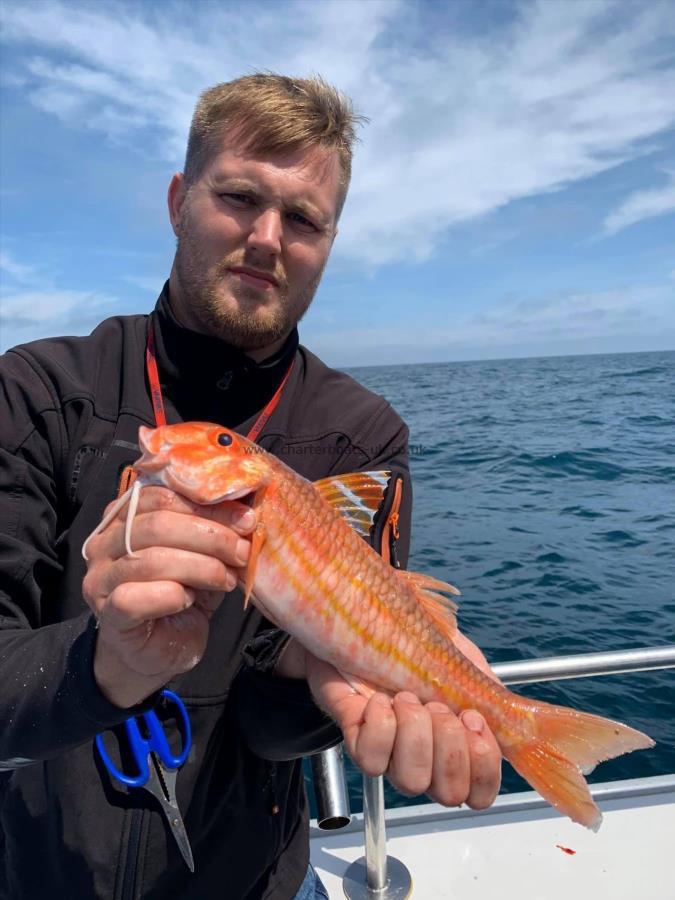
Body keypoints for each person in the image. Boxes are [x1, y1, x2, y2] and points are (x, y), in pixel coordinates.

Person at [0, 74, 502, 899]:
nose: (267, 237)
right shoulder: (36, 395)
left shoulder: (360, 437)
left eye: (303, 218)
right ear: (177, 199)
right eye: (239, 196)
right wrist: (104, 661)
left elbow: (272, 735)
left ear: (329, 241)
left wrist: (315, 678)